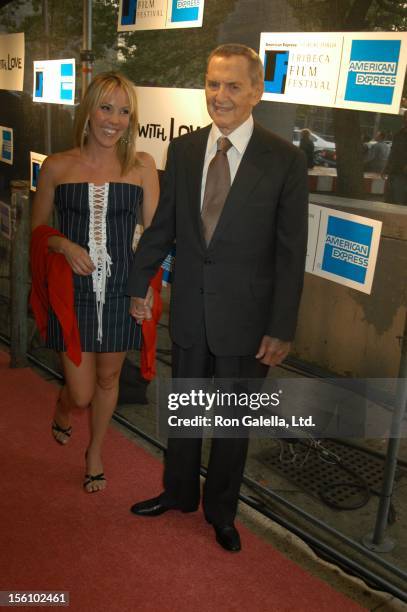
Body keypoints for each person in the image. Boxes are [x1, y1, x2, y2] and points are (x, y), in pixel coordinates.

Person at [127, 44, 308, 551]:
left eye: (232, 85)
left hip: (249, 321)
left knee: (232, 425)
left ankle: (222, 512)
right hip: (190, 309)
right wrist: (139, 281)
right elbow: (164, 226)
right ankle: (178, 493)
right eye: (212, 83)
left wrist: (281, 327)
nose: (220, 96)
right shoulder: (184, 151)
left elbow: (292, 254)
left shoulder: (286, 160)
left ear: (257, 91)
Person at [30, 72, 159, 492]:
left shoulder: (142, 166)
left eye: (124, 111)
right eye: (106, 107)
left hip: (123, 288)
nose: (114, 120)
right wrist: (64, 245)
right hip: (74, 294)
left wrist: (150, 287)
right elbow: (37, 233)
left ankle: (95, 451)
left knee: (109, 380)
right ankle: (65, 408)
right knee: (82, 391)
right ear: (88, 111)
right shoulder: (56, 166)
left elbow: (154, 236)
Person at [384, 111, 407, 205]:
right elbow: (393, 152)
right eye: (405, 117)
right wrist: (386, 166)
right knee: (390, 200)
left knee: (400, 202)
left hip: (403, 174)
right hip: (393, 172)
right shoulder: (399, 134)